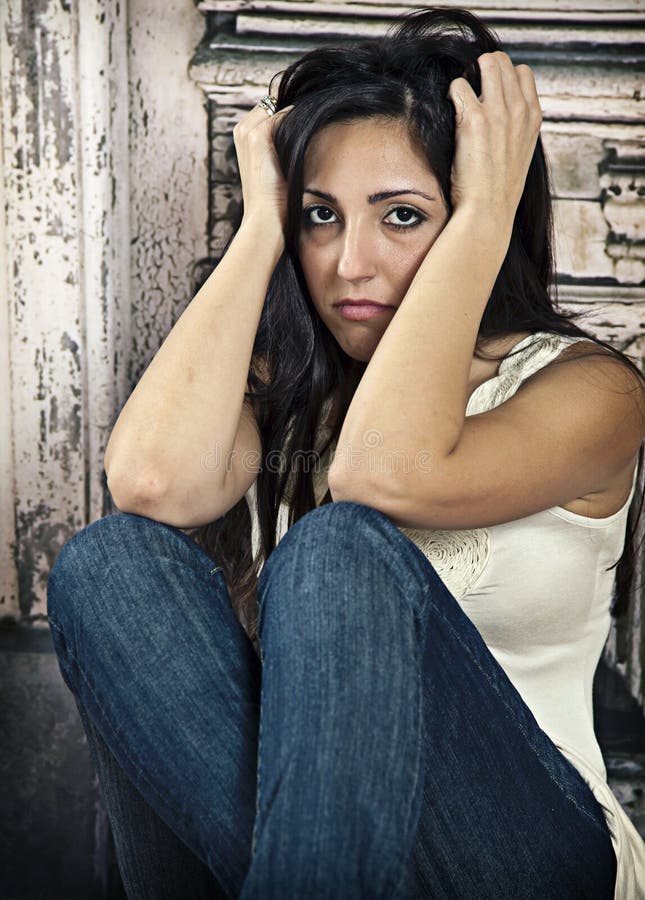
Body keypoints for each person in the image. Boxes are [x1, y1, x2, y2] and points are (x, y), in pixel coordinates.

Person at [46, 6, 645, 898]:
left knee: (339, 546)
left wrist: (482, 215)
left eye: (401, 215)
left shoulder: (588, 390)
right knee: (109, 562)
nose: (348, 264)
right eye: (320, 217)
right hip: (311, 839)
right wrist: (259, 231)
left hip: (523, 843)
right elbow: (150, 484)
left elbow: (384, 473)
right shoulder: (275, 382)